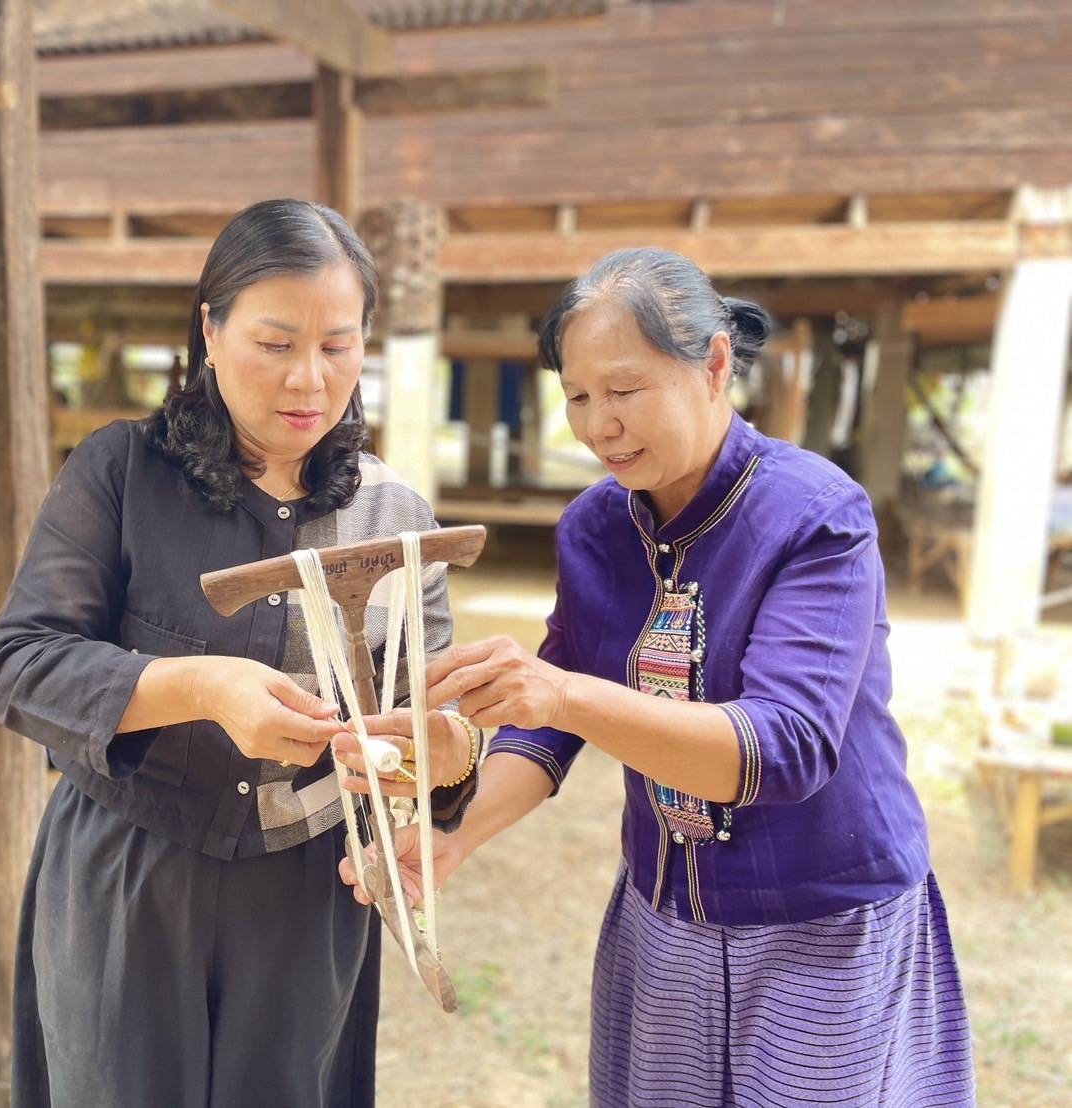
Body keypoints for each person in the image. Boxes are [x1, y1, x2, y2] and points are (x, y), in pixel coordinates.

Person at [346, 249, 976, 1106]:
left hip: (822, 921)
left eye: (625, 389)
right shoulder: (596, 527)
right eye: (575, 396)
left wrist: (561, 692)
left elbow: (782, 751)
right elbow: (552, 716)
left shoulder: (815, 516)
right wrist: (456, 838)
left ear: (713, 365)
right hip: (663, 917)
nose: (598, 423)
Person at [0, 198, 481, 1106]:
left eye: (337, 346)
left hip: (306, 892)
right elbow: (19, 663)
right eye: (274, 343)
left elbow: (429, 711)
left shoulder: (395, 518)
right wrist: (201, 687)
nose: (307, 381)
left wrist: (445, 755)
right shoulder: (121, 473)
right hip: (132, 875)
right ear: (209, 331)